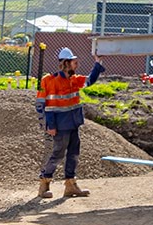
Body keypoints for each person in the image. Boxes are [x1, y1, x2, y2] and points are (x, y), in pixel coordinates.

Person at [36, 47, 104, 199]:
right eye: (74, 62)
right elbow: (43, 105)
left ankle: (70, 185)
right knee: (58, 154)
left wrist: (98, 63)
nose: (76, 64)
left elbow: (89, 81)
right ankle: (44, 183)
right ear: (65, 63)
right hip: (60, 125)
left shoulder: (74, 79)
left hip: (73, 123)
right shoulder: (50, 81)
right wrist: (49, 125)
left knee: (73, 154)